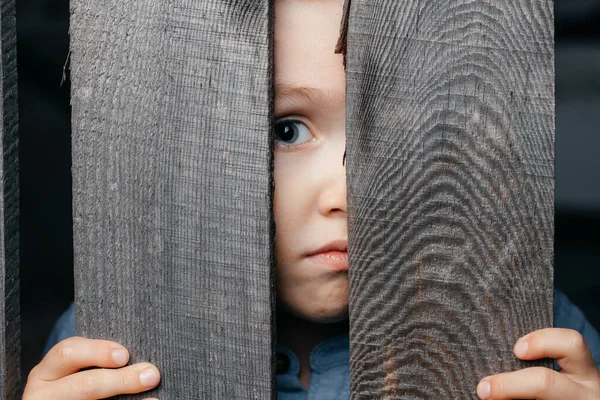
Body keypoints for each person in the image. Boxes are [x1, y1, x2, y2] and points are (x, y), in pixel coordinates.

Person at [23, 0, 600, 399]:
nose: (347, 194)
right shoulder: (110, 335)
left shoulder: (535, 331)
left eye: (398, 135)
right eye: (287, 130)